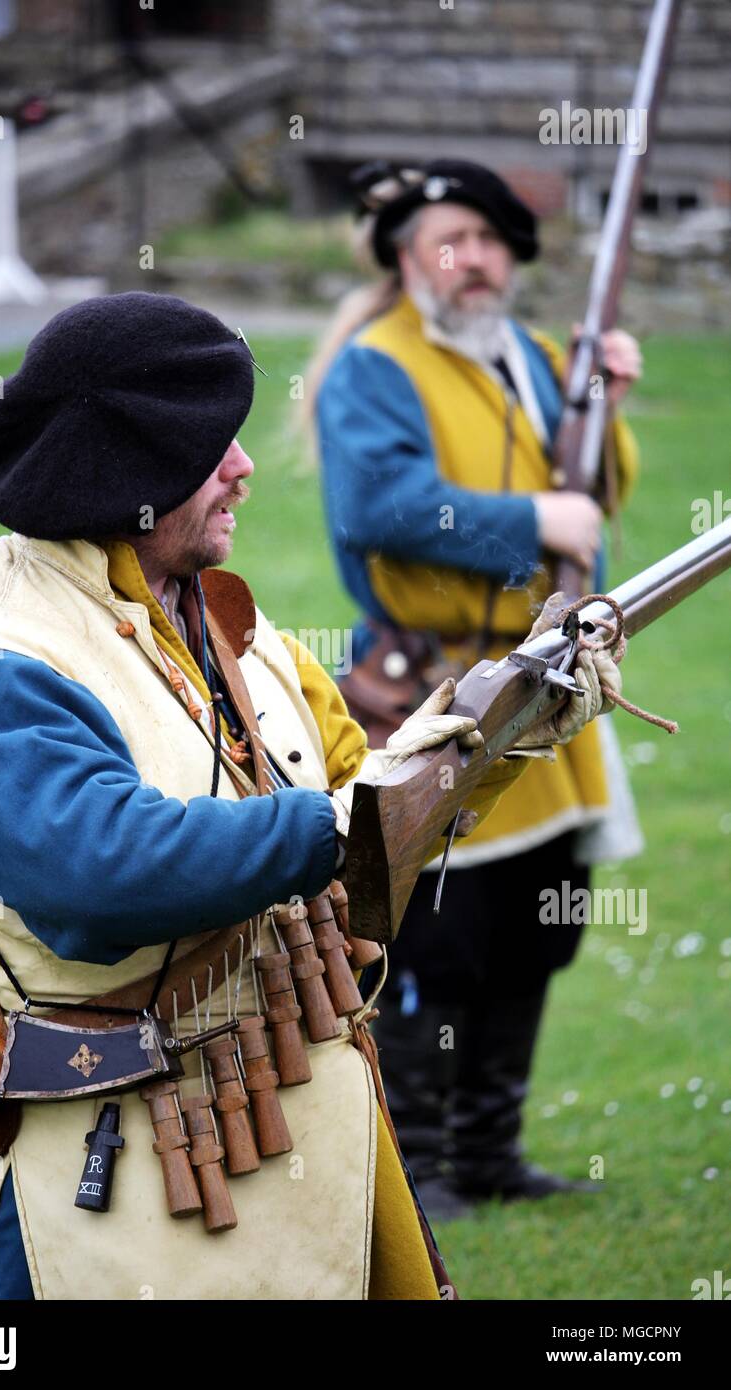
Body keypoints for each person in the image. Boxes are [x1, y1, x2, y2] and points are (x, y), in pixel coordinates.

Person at [0, 292, 621, 1299]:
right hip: (114, 1177)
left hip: (296, 1120)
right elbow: (108, 876)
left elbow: (363, 833)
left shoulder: (218, 619)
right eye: (208, 448)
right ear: (126, 477)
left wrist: (499, 732)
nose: (240, 468)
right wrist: (323, 824)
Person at [311, 159, 644, 1217]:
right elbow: (378, 505)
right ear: (406, 259)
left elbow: (591, 495)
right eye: (447, 239)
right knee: (436, 933)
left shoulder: (534, 356)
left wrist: (605, 406)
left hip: (546, 675)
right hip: (438, 681)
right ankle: (415, 1165)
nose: (471, 258)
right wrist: (528, 524)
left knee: (535, 927)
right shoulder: (375, 364)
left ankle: (490, 1152)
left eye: (489, 239)